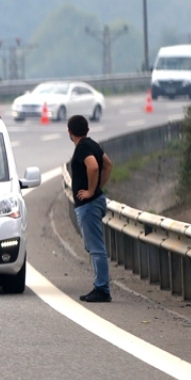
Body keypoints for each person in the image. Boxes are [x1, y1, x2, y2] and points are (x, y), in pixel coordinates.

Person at [67, 114, 114, 303]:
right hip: (95, 202)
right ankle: (100, 286)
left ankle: (102, 289)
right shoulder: (93, 144)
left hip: (89, 205)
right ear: (87, 129)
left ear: (70, 132)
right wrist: (98, 189)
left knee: (96, 248)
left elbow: (94, 167)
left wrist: (90, 191)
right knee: (94, 246)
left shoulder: (82, 148)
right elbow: (108, 165)